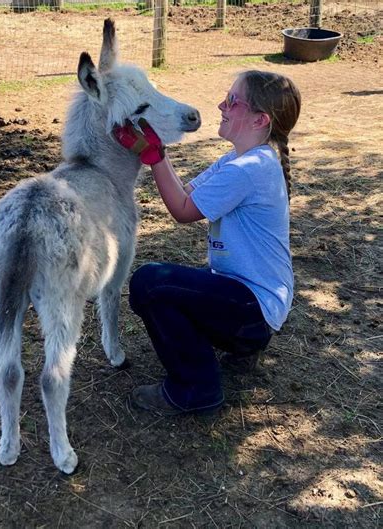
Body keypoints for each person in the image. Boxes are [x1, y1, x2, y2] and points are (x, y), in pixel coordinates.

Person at [113, 70, 301, 415]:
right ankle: (242, 349)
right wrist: (157, 151)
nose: (221, 105)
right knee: (176, 287)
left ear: (260, 119)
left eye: (232, 101)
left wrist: (153, 158)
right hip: (251, 305)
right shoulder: (239, 161)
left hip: (252, 309)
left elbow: (182, 211)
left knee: (149, 284)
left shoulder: (246, 170)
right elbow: (187, 193)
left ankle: (195, 388)